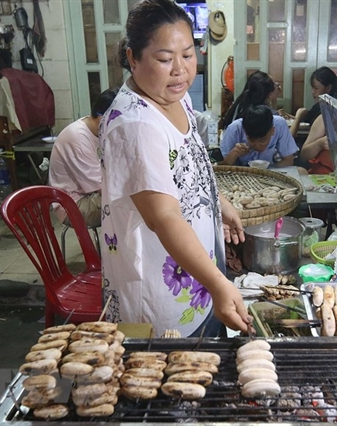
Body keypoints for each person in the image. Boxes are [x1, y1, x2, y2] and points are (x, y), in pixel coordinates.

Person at [99, 0, 252, 338]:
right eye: (165, 59)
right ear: (132, 57)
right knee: (169, 378)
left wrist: (217, 200)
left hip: (198, 278)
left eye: (188, 54)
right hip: (161, 294)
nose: (180, 70)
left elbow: (189, 159)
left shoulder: (175, 96)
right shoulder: (135, 124)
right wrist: (218, 282)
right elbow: (163, 217)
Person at [48, 89, 117, 228]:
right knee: (131, 206)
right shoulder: (78, 138)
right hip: (73, 204)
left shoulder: (99, 130)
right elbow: (101, 187)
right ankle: (121, 249)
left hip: (91, 193)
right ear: (100, 117)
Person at [219, 104, 298, 167]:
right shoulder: (235, 128)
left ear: (272, 131)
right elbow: (223, 166)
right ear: (245, 131)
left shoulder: (279, 124)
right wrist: (235, 153)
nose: (256, 146)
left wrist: (267, 173)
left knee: (301, 171)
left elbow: (288, 161)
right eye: (251, 140)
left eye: (262, 140)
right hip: (242, 174)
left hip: (270, 171)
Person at [288, 67, 337, 137]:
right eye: (312, 88)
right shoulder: (318, 106)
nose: (312, 92)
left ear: (328, 88)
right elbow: (307, 118)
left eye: (316, 88)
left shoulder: (326, 107)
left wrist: (298, 117)